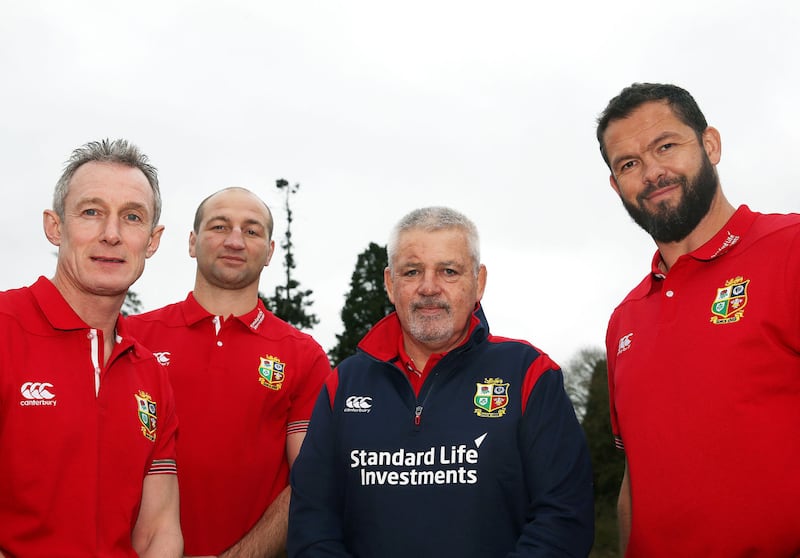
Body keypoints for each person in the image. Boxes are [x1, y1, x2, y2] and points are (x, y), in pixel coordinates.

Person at [288, 206, 594, 558]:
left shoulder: (530, 373)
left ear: (478, 282)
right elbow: (311, 522)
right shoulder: (342, 384)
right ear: (390, 283)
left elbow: (563, 518)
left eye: (449, 271)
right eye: (412, 271)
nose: (428, 288)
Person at [596, 83, 800, 557]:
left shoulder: (790, 248)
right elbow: (634, 480)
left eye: (666, 145)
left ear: (710, 144)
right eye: (628, 164)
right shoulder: (623, 320)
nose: (652, 172)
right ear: (615, 185)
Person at [0, 139, 182, 557]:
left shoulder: (151, 374)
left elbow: (159, 531)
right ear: (55, 226)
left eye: (132, 217)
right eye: (91, 212)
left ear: (152, 241)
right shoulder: (5, 328)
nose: (112, 235)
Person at [127, 187, 331, 557]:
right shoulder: (131, 337)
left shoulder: (303, 355)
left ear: (269, 252)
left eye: (251, 231)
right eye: (219, 227)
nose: (235, 240)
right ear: (192, 243)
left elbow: (311, 481)